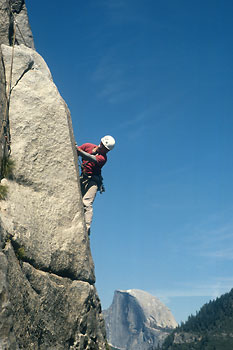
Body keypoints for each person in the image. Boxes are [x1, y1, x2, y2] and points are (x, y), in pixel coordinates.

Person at [76, 135, 115, 234]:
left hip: (93, 181)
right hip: (83, 178)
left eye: (107, 150)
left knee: (87, 202)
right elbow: (76, 152)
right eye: (105, 149)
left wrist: (78, 150)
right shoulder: (88, 146)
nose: (106, 152)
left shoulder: (103, 158)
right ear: (101, 143)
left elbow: (89, 157)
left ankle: (86, 227)